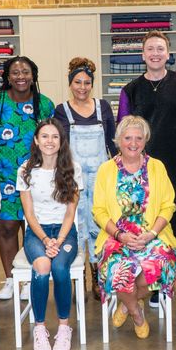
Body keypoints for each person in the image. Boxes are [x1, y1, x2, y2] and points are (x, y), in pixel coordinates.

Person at [117, 30, 176, 308]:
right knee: (142, 220)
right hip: (142, 168)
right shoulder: (130, 90)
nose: (155, 53)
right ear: (143, 55)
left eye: (160, 49)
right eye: (150, 49)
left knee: (173, 222)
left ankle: (164, 280)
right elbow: (123, 131)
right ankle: (146, 281)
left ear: (168, 53)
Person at [92, 116, 176, 339]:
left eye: (138, 138)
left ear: (145, 140)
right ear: (118, 140)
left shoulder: (157, 167)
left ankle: (125, 302)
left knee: (160, 265)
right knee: (118, 270)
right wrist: (120, 235)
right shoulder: (106, 170)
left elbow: (168, 206)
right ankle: (136, 312)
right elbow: (99, 211)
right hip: (117, 238)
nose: (133, 143)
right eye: (128, 138)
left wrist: (151, 234)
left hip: (153, 236)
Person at [0, 56, 55, 301]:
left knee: (32, 227)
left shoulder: (44, 104)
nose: (20, 77)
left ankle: (29, 278)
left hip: (35, 177)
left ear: (33, 75)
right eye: (15, 72)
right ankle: (10, 279)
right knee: (7, 227)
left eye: (25, 72)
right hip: (2, 175)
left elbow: (53, 138)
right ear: (7, 76)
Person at [16, 118, 82, 350]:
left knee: (61, 268)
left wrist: (59, 241)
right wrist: (46, 241)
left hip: (64, 232)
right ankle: (40, 328)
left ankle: (64, 328)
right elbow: (29, 215)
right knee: (43, 266)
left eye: (55, 136)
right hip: (37, 232)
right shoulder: (25, 171)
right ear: (36, 140)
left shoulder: (73, 168)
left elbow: (70, 213)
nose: (50, 141)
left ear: (61, 141)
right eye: (44, 136)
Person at [54, 57, 117, 302]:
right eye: (77, 82)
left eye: (87, 82)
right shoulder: (62, 110)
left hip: (101, 177)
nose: (82, 87)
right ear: (70, 84)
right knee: (75, 225)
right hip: (74, 177)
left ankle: (98, 275)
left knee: (100, 225)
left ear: (92, 84)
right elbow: (60, 146)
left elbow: (113, 143)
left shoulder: (103, 107)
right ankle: (76, 276)